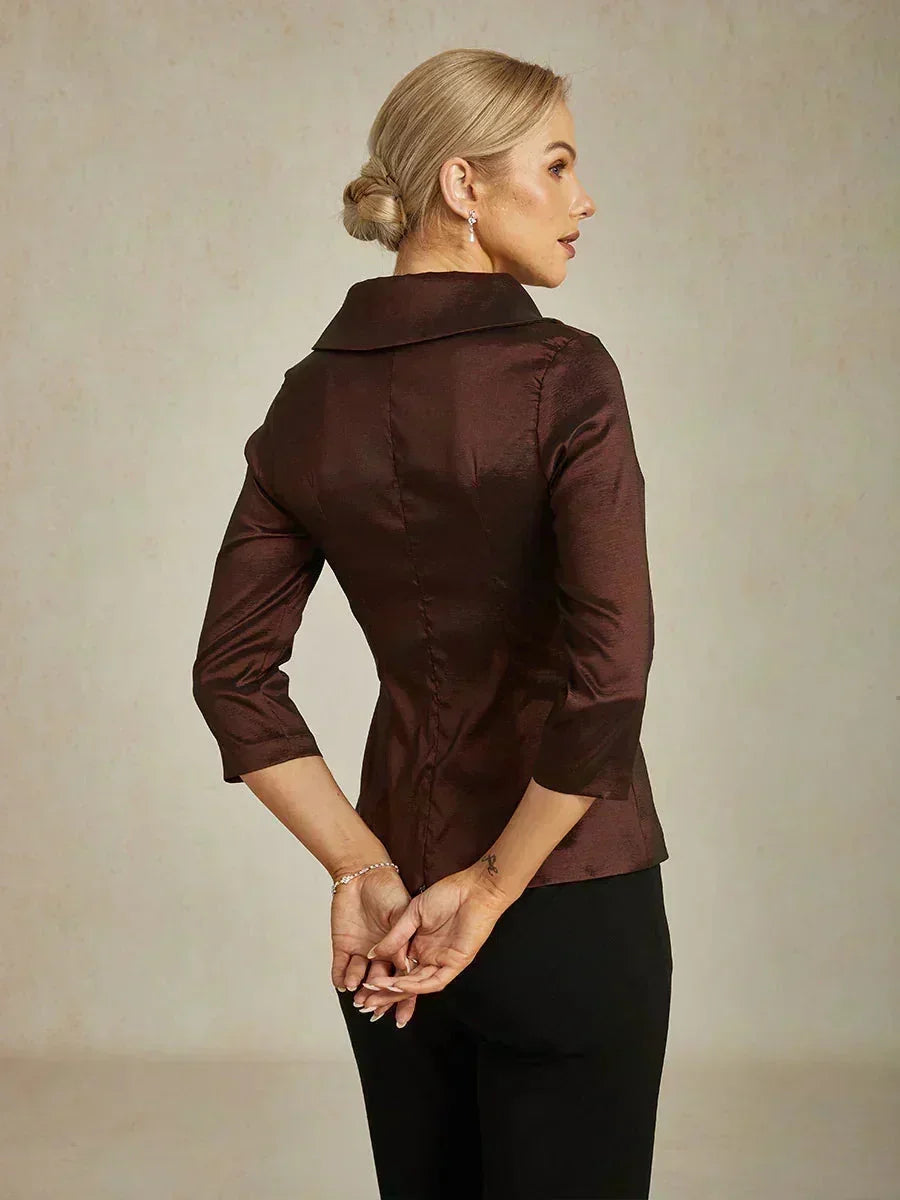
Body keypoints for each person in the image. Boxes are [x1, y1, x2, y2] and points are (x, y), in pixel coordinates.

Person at [192, 46, 672, 1200]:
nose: (584, 199)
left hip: (397, 917)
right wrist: (494, 889)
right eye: (556, 165)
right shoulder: (565, 374)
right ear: (464, 184)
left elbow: (230, 676)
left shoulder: (307, 400)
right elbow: (609, 679)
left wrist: (359, 867)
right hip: (565, 898)